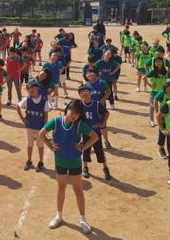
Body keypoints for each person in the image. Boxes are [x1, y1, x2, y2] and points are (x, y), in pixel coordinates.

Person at [38, 100, 98, 234]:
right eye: (73, 112)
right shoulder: (56, 121)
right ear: (67, 110)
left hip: (75, 162)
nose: (75, 116)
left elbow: (94, 137)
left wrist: (83, 147)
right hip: (60, 161)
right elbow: (41, 133)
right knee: (61, 187)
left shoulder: (79, 124)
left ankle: (83, 219)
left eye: (78, 114)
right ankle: (59, 216)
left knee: (78, 189)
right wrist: (51, 146)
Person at [78, 86, 112, 180]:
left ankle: (105, 168)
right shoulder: (80, 105)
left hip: (96, 133)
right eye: (81, 92)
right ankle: (85, 167)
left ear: (90, 92)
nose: (83, 93)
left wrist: (102, 123)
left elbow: (106, 113)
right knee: (85, 151)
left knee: (99, 151)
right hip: (85, 132)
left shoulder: (97, 104)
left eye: (85, 91)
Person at [17, 80, 50, 172]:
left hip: (39, 127)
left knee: (40, 145)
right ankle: (29, 160)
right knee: (29, 144)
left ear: (37, 88)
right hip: (30, 126)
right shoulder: (27, 99)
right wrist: (22, 119)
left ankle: (40, 161)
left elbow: (46, 115)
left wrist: (45, 126)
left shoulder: (43, 100)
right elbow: (18, 107)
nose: (31, 90)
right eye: (29, 89)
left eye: (33, 88)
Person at [84, 69, 112, 149]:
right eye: (87, 74)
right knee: (90, 124)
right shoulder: (86, 84)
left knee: (102, 125)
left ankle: (106, 141)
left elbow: (108, 91)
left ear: (95, 74)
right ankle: (89, 143)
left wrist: (103, 100)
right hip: (91, 107)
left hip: (100, 107)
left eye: (91, 73)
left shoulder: (101, 82)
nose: (89, 75)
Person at [144, 58, 170, 127]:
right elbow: (144, 78)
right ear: (154, 64)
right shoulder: (152, 71)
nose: (158, 63)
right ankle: (151, 120)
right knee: (152, 106)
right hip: (154, 92)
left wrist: (168, 85)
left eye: (159, 61)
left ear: (162, 62)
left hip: (163, 92)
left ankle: (164, 120)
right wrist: (149, 85)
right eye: (156, 62)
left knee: (163, 106)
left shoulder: (165, 72)